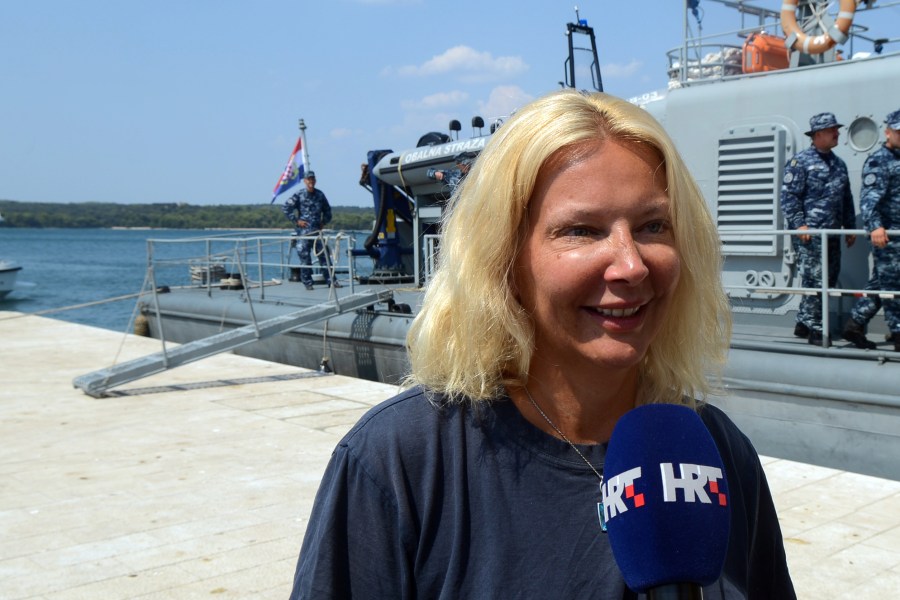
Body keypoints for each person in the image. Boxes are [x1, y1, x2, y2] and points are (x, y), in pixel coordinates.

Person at [289, 91, 795, 599]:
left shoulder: (718, 453)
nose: (632, 264)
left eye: (653, 226)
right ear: (504, 259)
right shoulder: (400, 465)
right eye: (581, 230)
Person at [781, 112, 856, 346]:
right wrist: (799, 224)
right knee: (816, 280)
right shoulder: (800, 162)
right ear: (818, 134)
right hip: (810, 235)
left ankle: (803, 323)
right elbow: (789, 197)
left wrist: (850, 227)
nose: (837, 134)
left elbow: (846, 198)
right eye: (832, 130)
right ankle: (816, 329)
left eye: (837, 129)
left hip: (832, 234)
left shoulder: (838, 164)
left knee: (829, 279)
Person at [842, 108, 900, 351]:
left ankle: (854, 324)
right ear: (888, 132)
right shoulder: (880, 161)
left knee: (881, 284)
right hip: (888, 237)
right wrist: (875, 227)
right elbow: (869, 200)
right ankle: (898, 333)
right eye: (898, 131)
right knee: (893, 286)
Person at [281, 171, 340, 290]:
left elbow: (327, 210)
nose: (310, 182)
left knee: (325, 257)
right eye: (308, 179)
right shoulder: (299, 194)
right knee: (305, 259)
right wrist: (296, 221)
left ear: (315, 181)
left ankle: (331, 281)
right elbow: (286, 207)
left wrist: (324, 222)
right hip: (303, 233)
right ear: (305, 181)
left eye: (312, 179)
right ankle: (308, 283)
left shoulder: (320, 195)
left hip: (317, 232)